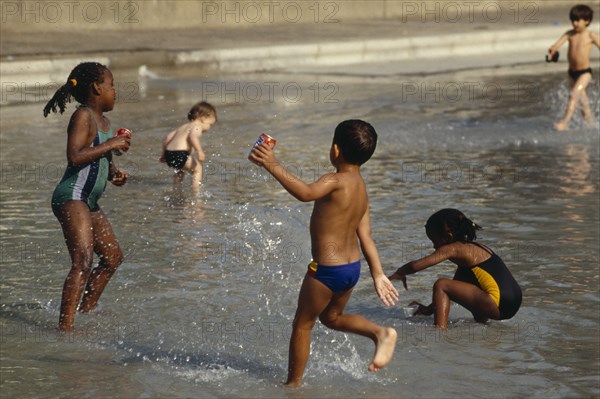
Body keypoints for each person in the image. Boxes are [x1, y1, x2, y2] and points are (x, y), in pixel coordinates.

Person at [250, 119, 398, 387]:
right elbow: (366, 237)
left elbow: (306, 193)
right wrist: (378, 274)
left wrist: (270, 163)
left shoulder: (334, 180)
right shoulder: (361, 188)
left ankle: (293, 385)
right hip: (351, 269)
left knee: (303, 324)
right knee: (332, 318)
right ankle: (380, 333)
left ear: (335, 150)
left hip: (327, 270)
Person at [43, 62, 131, 332]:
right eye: (112, 85)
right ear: (97, 87)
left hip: (88, 201)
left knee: (113, 258)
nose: (115, 91)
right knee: (82, 260)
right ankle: (65, 329)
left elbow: (97, 159)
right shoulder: (83, 116)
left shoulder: (104, 122)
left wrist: (113, 172)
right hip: (71, 197)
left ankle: (87, 310)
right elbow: (74, 155)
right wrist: (111, 144)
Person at [388, 209, 522, 329]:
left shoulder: (453, 248)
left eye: (435, 241)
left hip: (497, 304)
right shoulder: (476, 248)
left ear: (448, 236)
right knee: (466, 286)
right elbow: (454, 290)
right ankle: (482, 326)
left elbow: (416, 265)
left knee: (441, 284)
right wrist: (428, 310)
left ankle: (439, 332)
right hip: (512, 303)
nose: (434, 247)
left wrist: (400, 272)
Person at [548, 4, 600, 131]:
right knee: (583, 101)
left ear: (587, 21)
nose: (575, 23)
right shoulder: (569, 34)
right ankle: (592, 125)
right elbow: (555, 46)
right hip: (572, 72)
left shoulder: (590, 35)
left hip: (584, 73)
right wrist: (552, 51)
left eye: (578, 20)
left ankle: (565, 123)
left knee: (573, 95)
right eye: (573, 20)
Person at [160, 102, 217, 192]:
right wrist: (200, 151)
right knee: (198, 169)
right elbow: (193, 136)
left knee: (181, 171)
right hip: (180, 153)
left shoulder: (183, 126)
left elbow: (167, 138)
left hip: (169, 153)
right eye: (210, 124)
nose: (209, 127)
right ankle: (195, 192)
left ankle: (176, 189)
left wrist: (163, 154)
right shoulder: (196, 126)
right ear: (203, 118)